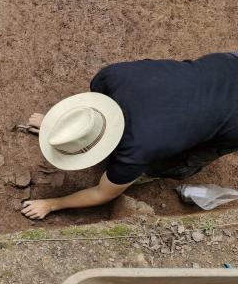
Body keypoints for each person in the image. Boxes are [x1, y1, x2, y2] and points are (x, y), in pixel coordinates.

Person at [21, 52, 238, 220]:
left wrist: (51, 204)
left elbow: (103, 193)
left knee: (180, 161)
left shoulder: (135, 152)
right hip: (227, 64)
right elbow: (89, 110)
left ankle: (164, 170)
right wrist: (55, 125)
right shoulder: (112, 76)